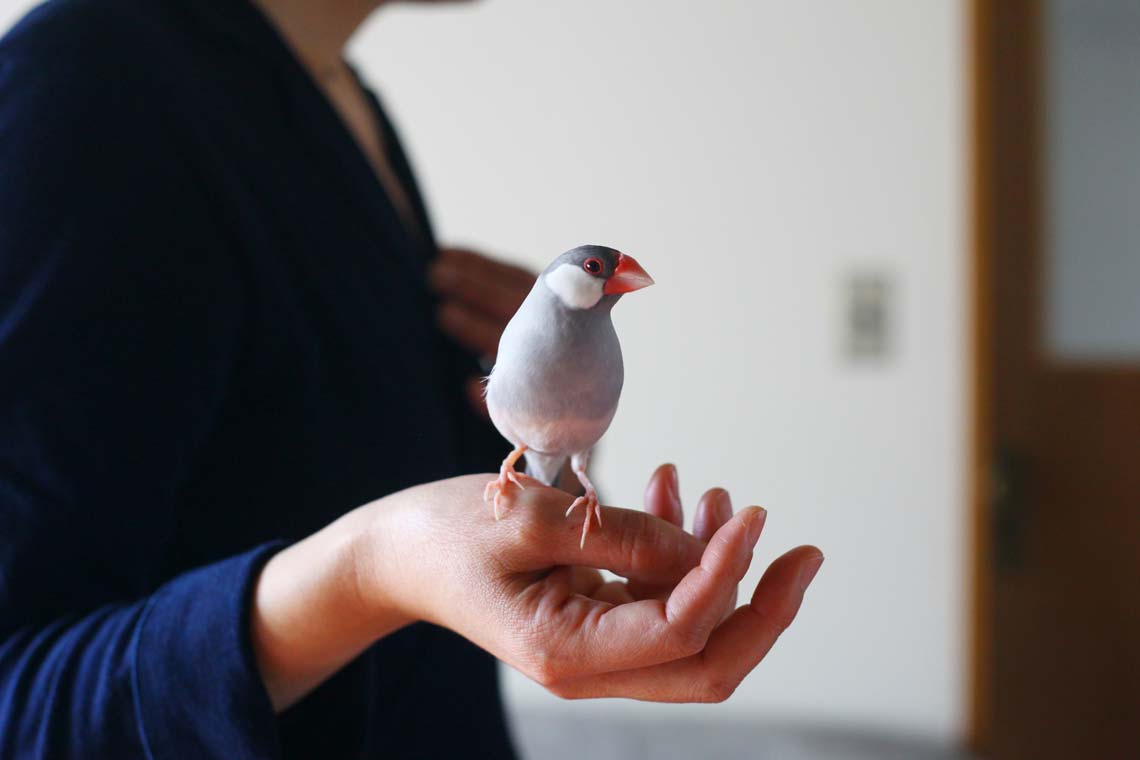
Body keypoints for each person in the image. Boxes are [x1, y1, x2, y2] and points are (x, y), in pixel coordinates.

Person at [0, 0, 824, 757]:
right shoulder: (88, 86)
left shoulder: (341, 98)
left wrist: (536, 466)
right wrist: (372, 572)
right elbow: (17, 690)